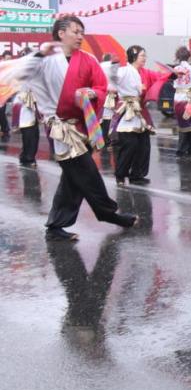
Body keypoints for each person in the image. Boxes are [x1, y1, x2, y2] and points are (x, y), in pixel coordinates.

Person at [16, 16, 137, 241]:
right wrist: (41, 53)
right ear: (61, 34)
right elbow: (23, 74)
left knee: (74, 178)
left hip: (83, 126)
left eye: (82, 31)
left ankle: (56, 224)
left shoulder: (88, 59)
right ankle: (107, 213)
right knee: (86, 173)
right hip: (61, 128)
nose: (81, 36)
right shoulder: (45, 60)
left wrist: (92, 93)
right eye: (76, 31)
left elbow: (100, 86)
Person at [108, 45, 164, 185]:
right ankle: (120, 174)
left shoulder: (143, 72)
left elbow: (159, 76)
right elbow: (113, 79)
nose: (145, 58)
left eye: (145, 56)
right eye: (142, 56)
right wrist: (114, 66)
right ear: (134, 56)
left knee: (143, 144)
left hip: (139, 111)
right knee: (129, 144)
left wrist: (172, 73)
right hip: (127, 110)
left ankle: (137, 175)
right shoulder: (125, 70)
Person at [99, 53, 118, 148]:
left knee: (102, 117)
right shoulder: (113, 66)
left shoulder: (100, 65)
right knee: (110, 117)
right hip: (112, 94)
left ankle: (103, 138)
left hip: (102, 93)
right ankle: (109, 139)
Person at [0, 51, 11, 140]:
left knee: (1, 112)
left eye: (10, 59)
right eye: (7, 59)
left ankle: (5, 130)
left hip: (4, 94)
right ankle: (5, 129)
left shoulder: (10, 68)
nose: (9, 60)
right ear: (3, 58)